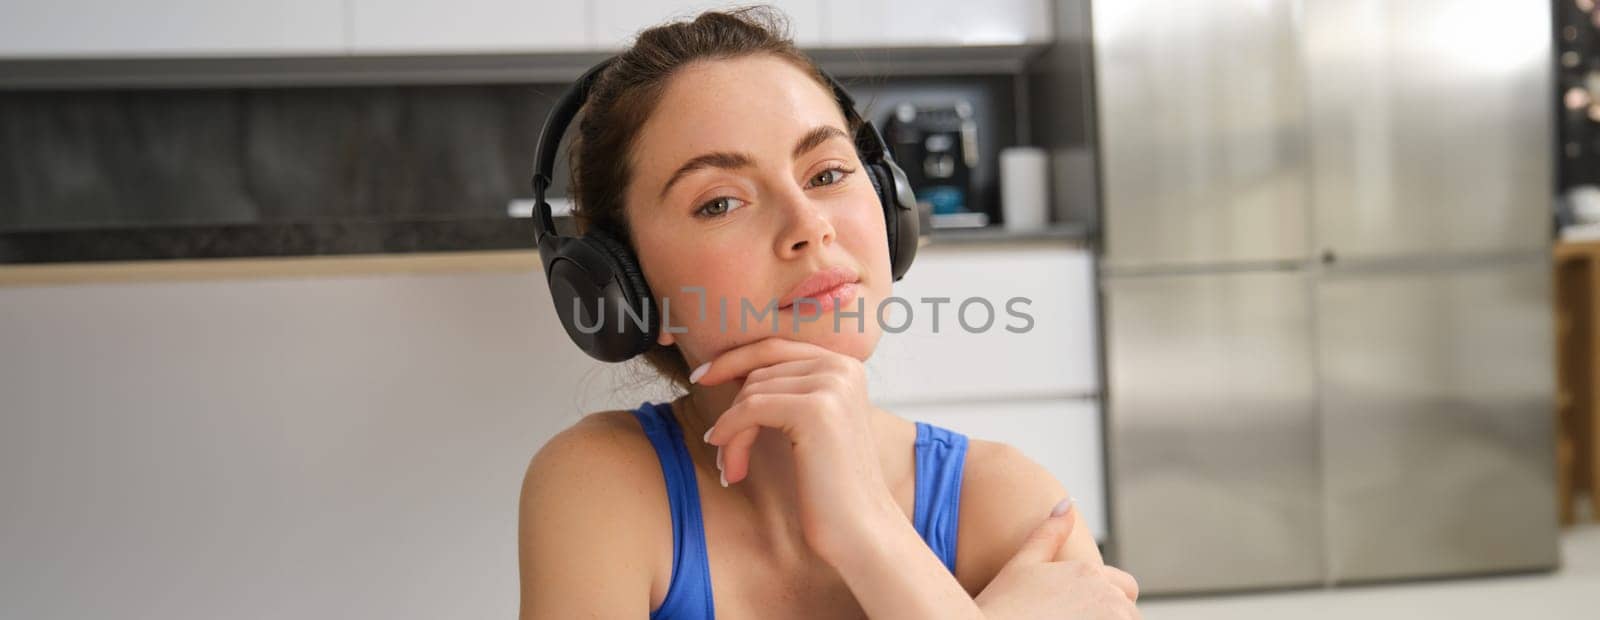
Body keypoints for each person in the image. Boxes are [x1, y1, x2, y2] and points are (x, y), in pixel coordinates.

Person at [517, 6, 1139, 618]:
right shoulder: (601, 487)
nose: (809, 226)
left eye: (829, 173)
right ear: (622, 284)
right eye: (720, 203)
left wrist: (866, 527)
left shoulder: (1011, 505)